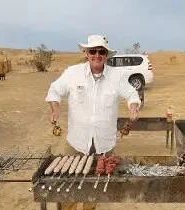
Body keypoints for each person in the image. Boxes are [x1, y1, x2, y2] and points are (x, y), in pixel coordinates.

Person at [45, 34, 141, 210]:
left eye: (101, 51)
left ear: (106, 55)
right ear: (86, 53)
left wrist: (133, 106)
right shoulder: (73, 73)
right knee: (68, 188)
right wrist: (55, 107)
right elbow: (54, 90)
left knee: (94, 189)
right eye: (93, 51)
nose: (97, 55)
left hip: (104, 145)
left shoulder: (116, 76)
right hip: (76, 143)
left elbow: (132, 94)